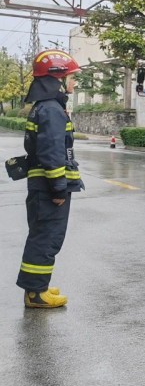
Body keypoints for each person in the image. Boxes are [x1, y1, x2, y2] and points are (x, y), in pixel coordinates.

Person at [17, 50, 84, 308]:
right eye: (70, 77)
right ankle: (36, 295)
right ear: (57, 78)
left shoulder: (44, 107)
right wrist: (58, 188)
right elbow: (52, 152)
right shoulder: (52, 110)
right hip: (49, 189)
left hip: (41, 186)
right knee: (46, 238)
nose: (73, 83)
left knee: (41, 235)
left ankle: (37, 287)